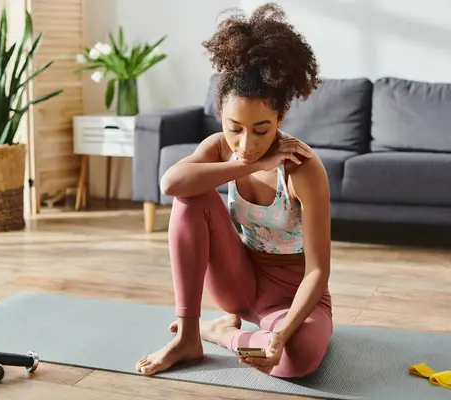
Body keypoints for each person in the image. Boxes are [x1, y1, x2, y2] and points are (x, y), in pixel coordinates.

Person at [136, 2, 333, 379]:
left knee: (299, 358)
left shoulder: (303, 169)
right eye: (234, 127)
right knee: (192, 196)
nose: (246, 142)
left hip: (289, 299)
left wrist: (281, 337)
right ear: (220, 116)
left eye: (261, 129)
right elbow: (170, 183)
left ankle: (223, 332)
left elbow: (318, 272)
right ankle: (189, 335)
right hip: (237, 284)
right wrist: (254, 164)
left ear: (282, 116)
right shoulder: (222, 149)